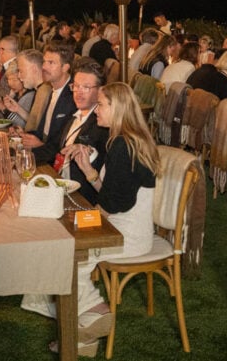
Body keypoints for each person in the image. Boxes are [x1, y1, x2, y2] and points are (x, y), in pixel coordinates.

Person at [60, 82, 159, 354]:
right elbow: (115, 196)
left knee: (65, 252)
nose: (96, 111)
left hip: (127, 237)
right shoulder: (126, 140)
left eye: (101, 104)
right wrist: (88, 171)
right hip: (124, 226)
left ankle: (94, 312)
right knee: (67, 236)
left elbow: (114, 204)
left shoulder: (122, 145)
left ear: (117, 108)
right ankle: (85, 336)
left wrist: (85, 218)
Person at [55, 61, 109, 204]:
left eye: (86, 87)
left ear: (100, 90)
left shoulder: (103, 125)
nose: (78, 92)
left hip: (83, 198)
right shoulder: (73, 115)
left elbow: (104, 174)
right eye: (76, 86)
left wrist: (88, 153)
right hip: (62, 188)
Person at [21, 42, 76, 164]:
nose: (44, 67)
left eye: (51, 63)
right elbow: (44, 132)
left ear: (65, 67)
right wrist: (25, 136)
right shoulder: (52, 89)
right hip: (42, 155)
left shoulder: (73, 97)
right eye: (44, 62)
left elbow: (63, 146)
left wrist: (39, 145)